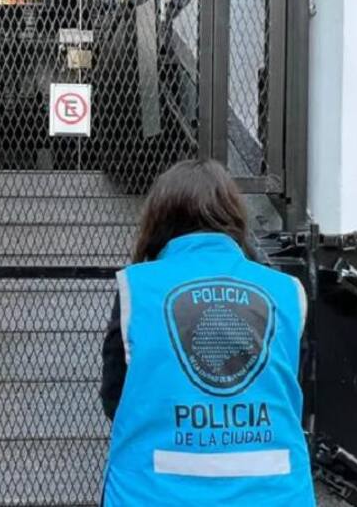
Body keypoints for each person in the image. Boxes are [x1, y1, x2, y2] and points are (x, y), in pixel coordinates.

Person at [100, 159, 314, 506]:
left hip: (154, 492)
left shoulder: (137, 289)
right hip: (274, 493)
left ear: (159, 217)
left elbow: (114, 396)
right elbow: (293, 392)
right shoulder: (286, 292)